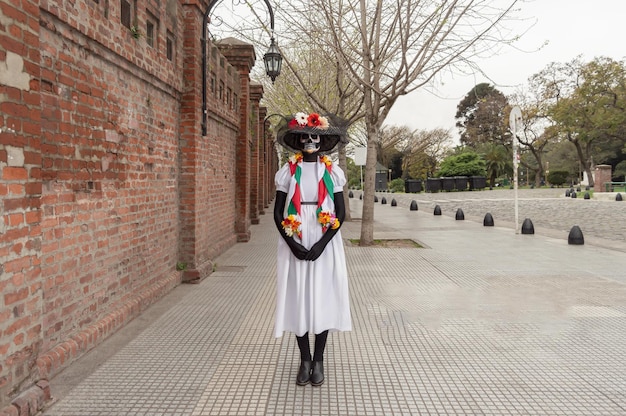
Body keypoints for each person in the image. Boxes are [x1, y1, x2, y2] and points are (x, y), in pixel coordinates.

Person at [273, 112, 352, 387]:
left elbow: (340, 212)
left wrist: (321, 244)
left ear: (322, 140)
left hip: (324, 237)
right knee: (299, 297)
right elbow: (277, 214)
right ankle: (304, 359)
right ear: (297, 139)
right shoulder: (287, 172)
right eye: (305, 136)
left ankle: (318, 360)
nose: (310, 141)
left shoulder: (333, 172)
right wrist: (292, 243)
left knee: (322, 296)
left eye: (314, 136)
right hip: (295, 234)